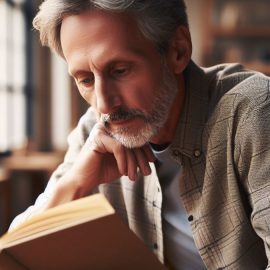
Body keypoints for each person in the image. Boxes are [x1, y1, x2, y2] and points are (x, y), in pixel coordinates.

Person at [9, 0, 270, 269]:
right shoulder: (95, 131)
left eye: (120, 71)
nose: (104, 104)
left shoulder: (254, 112)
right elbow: (13, 258)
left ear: (178, 51)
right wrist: (76, 183)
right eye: (86, 80)